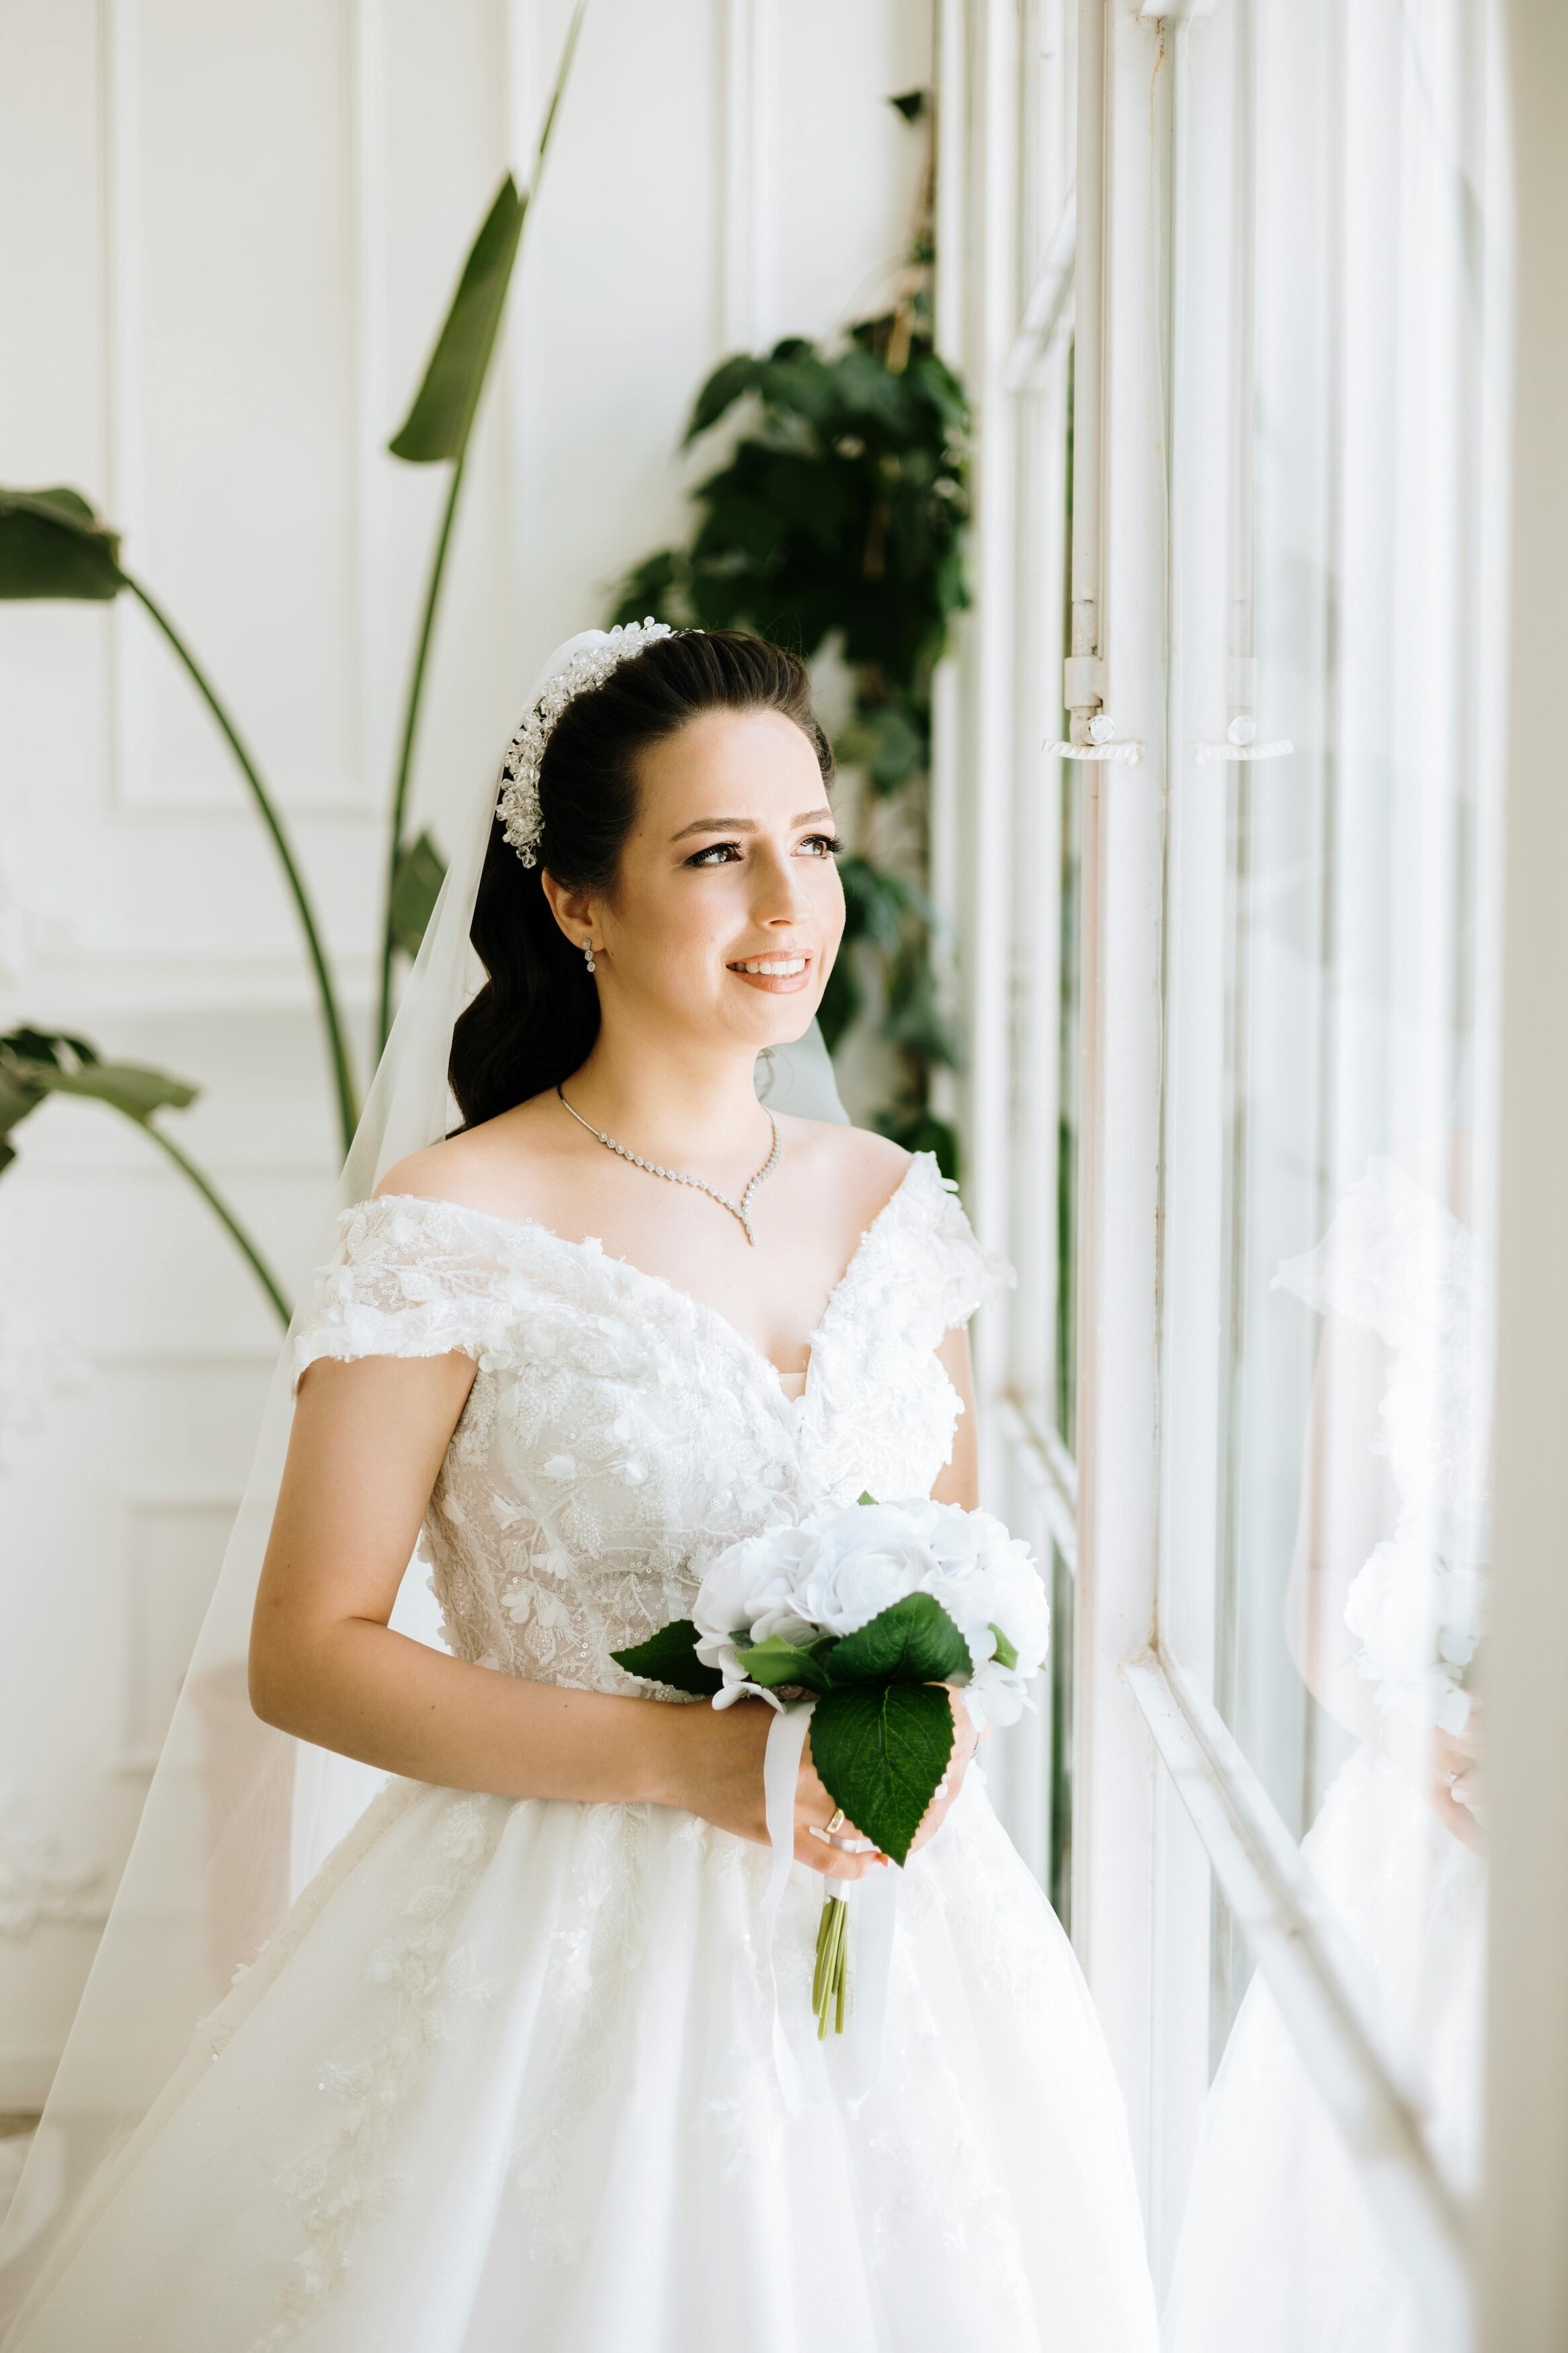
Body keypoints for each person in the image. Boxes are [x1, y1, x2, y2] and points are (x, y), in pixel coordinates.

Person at [0, 626, 1157, 2352]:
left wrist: (927, 1721)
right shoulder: (454, 1219)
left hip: (905, 1936)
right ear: (576, 903)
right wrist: (695, 1764)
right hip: (551, 1948)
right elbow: (307, 1649)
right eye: (718, 852)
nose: (791, 901)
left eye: (815, 843)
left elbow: (948, 1572)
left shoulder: (896, 1205)